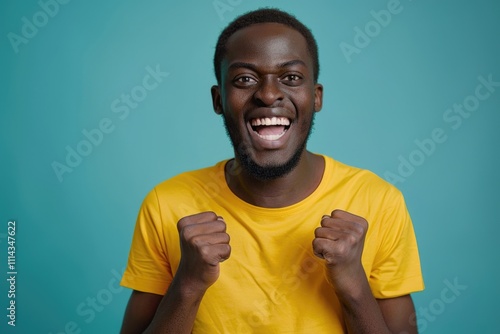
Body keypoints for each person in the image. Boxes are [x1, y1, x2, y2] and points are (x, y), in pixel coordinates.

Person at [119, 8, 424, 334]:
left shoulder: (379, 202)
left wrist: (353, 285)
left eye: (291, 78)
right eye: (245, 79)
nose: (267, 94)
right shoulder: (167, 204)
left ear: (316, 96)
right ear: (219, 99)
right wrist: (188, 285)